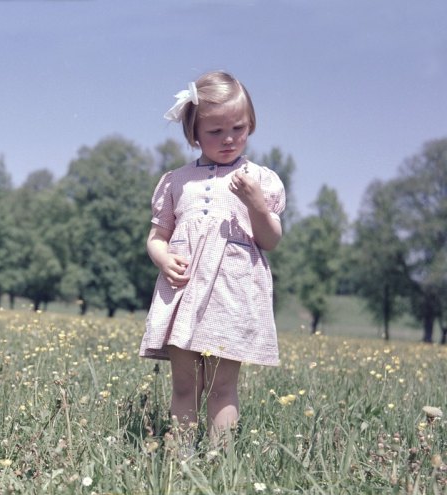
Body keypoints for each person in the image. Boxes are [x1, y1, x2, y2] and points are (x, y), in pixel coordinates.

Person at [140, 71, 286, 453]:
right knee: (185, 384)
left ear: (250, 124)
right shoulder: (177, 181)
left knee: (222, 385)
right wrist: (162, 257)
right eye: (215, 131)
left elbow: (270, 240)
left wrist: (255, 202)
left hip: (231, 296)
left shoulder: (260, 179)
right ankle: (180, 458)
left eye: (238, 128)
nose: (229, 139)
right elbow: (156, 237)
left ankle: (220, 462)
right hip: (184, 292)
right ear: (194, 135)